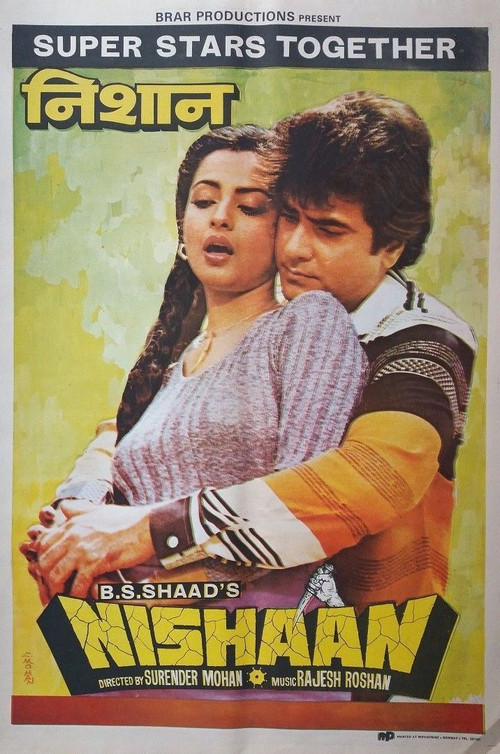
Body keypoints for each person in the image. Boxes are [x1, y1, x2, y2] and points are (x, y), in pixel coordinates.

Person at [28, 92, 475, 616]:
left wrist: (142, 536)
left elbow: (363, 481)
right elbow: (130, 430)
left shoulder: (421, 339)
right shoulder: (220, 336)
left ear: (392, 248)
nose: (294, 249)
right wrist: (76, 508)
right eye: (289, 217)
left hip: (361, 637)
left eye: (328, 229)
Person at [22, 123, 366, 604]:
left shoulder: (309, 324)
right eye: (204, 201)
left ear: (284, 229)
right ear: (183, 225)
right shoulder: (168, 370)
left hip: (258, 637)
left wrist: (140, 590)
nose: (220, 218)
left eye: (250, 207)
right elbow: (105, 464)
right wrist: (68, 528)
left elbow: (304, 512)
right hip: (141, 636)